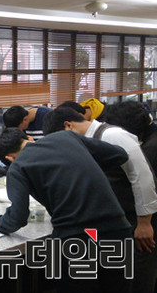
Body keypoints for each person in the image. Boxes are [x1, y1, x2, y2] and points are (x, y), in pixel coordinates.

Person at [0, 128, 132, 293]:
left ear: (9, 158)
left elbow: (18, 217)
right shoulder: (66, 136)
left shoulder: (18, 166)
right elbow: (120, 154)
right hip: (117, 229)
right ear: (29, 137)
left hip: (75, 237)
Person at [43, 106, 157, 293]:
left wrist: (144, 222)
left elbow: (142, 176)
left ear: (68, 126)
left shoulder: (112, 135)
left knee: (137, 277)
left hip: (136, 220)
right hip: (113, 222)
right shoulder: (86, 142)